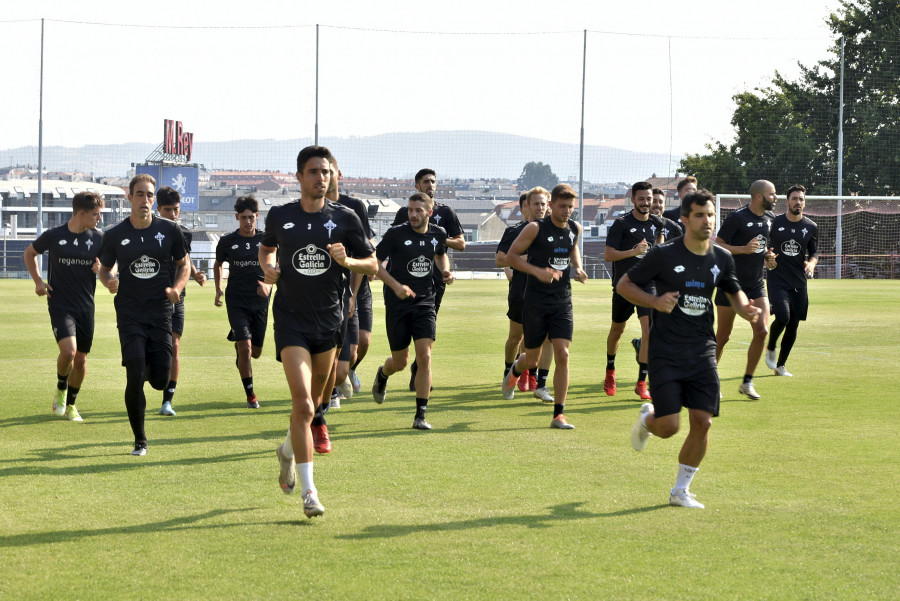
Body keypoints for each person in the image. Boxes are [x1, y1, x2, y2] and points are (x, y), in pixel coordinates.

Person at [619, 189, 761, 508]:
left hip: (702, 351)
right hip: (666, 351)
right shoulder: (663, 255)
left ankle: (680, 491)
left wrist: (745, 309)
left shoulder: (721, 258)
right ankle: (647, 420)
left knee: (703, 421)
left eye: (710, 215)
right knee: (668, 428)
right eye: (699, 215)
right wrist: (654, 301)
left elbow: (734, 291)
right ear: (684, 220)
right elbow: (624, 285)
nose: (707, 221)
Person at [261, 145, 376, 518]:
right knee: (304, 404)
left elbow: (372, 264)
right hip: (291, 321)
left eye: (326, 172)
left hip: (330, 322)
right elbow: (266, 250)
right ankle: (310, 493)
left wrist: (348, 261)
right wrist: (269, 267)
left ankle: (286, 451)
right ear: (299, 177)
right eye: (313, 172)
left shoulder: (346, 218)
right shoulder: (281, 215)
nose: (321, 178)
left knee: (315, 404)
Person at [98, 174, 189, 456]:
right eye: (140, 195)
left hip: (161, 312)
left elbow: (184, 265)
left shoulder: (170, 231)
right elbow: (103, 268)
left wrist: (177, 287)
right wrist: (109, 279)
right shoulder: (114, 234)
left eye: (150, 196)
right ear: (130, 197)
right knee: (135, 374)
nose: (145, 200)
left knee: (160, 380)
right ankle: (140, 440)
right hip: (129, 313)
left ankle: (152, 365)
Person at [502, 184, 588, 429]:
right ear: (551, 206)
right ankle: (515, 372)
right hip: (536, 302)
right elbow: (511, 257)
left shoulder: (575, 228)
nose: (567, 211)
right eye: (563, 206)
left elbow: (573, 249)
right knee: (532, 359)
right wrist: (538, 271)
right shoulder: (534, 228)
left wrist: (578, 268)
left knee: (563, 354)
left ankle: (558, 414)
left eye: (571, 207)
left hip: (562, 301)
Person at [372, 192, 452, 429]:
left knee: (425, 357)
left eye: (418, 210)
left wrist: (445, 270)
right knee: (400, 362)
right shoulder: (396, 233)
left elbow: (441, 255)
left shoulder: (439, 233)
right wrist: (396, 286)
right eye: (410, 210)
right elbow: (374, 262)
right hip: (397, 304)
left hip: (425, 301)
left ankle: (420, 415)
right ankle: (383, 374)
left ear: (429, 212)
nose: (413, 214)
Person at [24, 191, 105, 422]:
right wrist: (38, 281)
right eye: (95, 214)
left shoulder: (99, 238)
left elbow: (111, 265)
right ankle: (61, 390)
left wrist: (103, 271)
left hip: (86, 307)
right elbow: (30, 253)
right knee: (68, 352)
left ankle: (71, 405)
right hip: (60, 304)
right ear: (81, 213)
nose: (99, 218)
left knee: (80, 360)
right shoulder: (54, 235)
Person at [392, 168, 465, 391]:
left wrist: (437, 236)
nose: (430, 185)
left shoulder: (446, 212)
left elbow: (461, 243)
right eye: (425, 181)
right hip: (408, 279)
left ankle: (419, 368)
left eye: (433, 181)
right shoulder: (405, 213)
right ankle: (410, 365)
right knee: (409, 329)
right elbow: (393, 242)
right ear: (417, 186)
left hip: (435, 280)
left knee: (426, 329)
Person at [714, 179, 778, 400]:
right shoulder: (737, 218)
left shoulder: (770, 219)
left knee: (762, 331)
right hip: (730, 284)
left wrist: (768, 257)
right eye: (772, 194)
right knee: (723, 336)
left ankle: (747, 382)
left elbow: (763, 249)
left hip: (755, 283)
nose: (775, 198)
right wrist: (742, 249)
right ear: (759, 197)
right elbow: (717, 244)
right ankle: (709, 381)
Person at [603, 181, 665, 400]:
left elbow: (660, 243)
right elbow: (608, 255)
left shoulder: (658, 223)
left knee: (649, 332)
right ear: (633, 200)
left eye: (649, 199)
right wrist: (633, 252)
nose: (646, 203)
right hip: (623, 285)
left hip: (646, 286)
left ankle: (641, 382)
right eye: (641, 199)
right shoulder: (621, 224)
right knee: (616, 331)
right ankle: (610, 370)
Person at [495, 188, 555, 403]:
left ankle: (539, 380)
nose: (540, 208)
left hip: (547, 295)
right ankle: (508, 372)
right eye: (535, 204)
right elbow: (501, 260)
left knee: (546, 338)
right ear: (526, 207)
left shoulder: (555, 231)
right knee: (516, 338)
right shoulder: (514, 232)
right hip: (521, 293)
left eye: (543, 204)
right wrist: (529, 257)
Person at [213, 195, 272, 408]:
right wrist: (218, 288)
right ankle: (251, 396)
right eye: (244, 218)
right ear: (237, 217)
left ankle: (240, 346)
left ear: (257, 217)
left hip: (260, 302)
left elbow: (275, 266)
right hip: (236, 301)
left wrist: (269, 285)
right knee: (246, 348)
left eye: (252, 218)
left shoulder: (266, 241)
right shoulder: (227, 241)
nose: (248, 222)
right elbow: (218, 264)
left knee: (255, 352)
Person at [155, 187, 207, 416]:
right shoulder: (150, 231)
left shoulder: (184, 232)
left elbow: (184, 259)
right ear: (159, 210)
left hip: (178, 297)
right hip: (152, 299)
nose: (173, 215)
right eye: (168, 210)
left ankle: (168, 401)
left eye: (176, 210)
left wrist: (194, 275)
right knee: (155, 350)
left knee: (175, 346)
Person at [764, 184, 818, 376]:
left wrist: (811, 263)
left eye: (801, 199)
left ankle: (781, 366)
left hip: (799, 282)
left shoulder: (811, 226)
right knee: (783, 316)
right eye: (794, 198)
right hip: (777, 279)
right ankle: (770, 346)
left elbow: (814, 252)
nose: (798, 202)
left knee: (793, 324)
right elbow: (763, 245)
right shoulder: (774, 223)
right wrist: (765, 256)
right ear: (787, 201)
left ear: (804, 202)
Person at [630, 188, 683, 363]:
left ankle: (644, 348)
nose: (656, 205)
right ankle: (652, 368)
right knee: (651, 327)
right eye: (654, 201)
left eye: (660, 202)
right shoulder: (638, 224)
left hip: (668, 283)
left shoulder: (673, 227)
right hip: (647, 285)